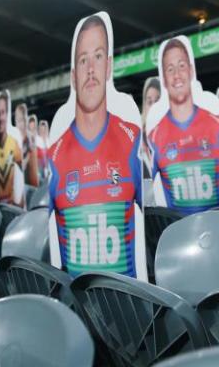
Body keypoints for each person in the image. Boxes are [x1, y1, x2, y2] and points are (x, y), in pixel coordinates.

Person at [48, 15, 144, 279]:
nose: (90, 68)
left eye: (98, 56)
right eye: (83, 60)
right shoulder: (54, 154)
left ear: (109, 66)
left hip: (129, 309)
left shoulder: (131, 137)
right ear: (73, 76)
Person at [149, 38, 219, 214]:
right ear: (164, 80)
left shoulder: (217, 123)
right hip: (179, 238)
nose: (177, 75)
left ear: (191, 70)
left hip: (218, 235)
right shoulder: (154, 135)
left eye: (181, 66)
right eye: (170, 69)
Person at [0, 91, 24, 208]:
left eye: (3, 112)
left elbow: (24, 173)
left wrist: (21, 200)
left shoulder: (14, 142)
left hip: (12, 209)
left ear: (7, 114)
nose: (0, 117)